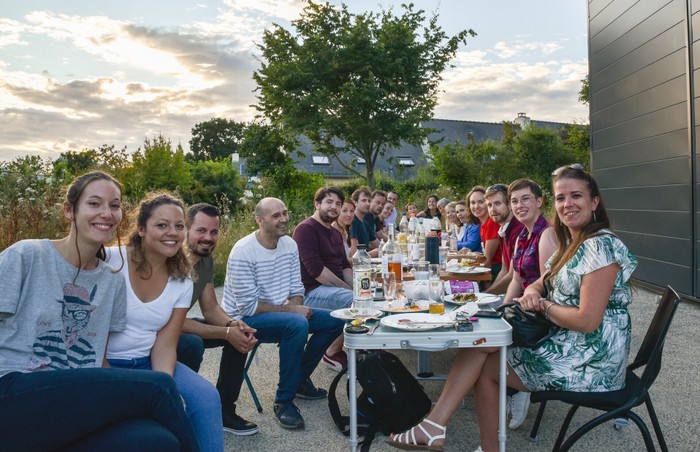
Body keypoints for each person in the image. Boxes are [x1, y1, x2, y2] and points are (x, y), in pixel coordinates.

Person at [387, 165, 638, 452]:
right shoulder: (573, 242)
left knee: (484, 356)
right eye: (561, 198)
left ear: (594, 202)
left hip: (593, 360)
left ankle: (440, 429)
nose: (567, 204)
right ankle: (439, 428)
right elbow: (542, 280)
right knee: (482, 345)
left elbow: (587, 321)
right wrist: (533, 291)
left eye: (576, 196)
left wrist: (543, 305)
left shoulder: (600, 246)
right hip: (567, 341)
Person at [0, 172, 199, 451]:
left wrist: (118, 392)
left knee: (158, 441)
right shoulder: (27, 255)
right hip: (15, 391)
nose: (106, 213)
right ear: (69, 210)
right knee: (160, 387)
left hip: (74, 402)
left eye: (114, 205)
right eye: (94, 203)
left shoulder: (111, 280)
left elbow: (98, 355)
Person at [106, 192, 223, 452]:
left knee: (206, 399)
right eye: (161, 225)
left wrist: (165, 387)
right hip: (105, 365)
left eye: (179, 226)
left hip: (147, 361)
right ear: (141, 229)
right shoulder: (112, 260)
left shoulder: (182, 278)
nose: (172, 233)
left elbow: (166, 343)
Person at [223, 197, 344, 430]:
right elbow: (247, 307)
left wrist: (294, 312)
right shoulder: (243, 251)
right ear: (259, 220)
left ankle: (299, 380)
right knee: (296, 325)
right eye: (276, 216)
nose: (283, 219)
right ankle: (283, 402)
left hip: (278, 314)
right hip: (243, 320)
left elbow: (296, 288)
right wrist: (292, 314)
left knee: (335, 320)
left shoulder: (289, 244)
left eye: (285, 213)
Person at [176, 203, 259, 436]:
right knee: (192, 343)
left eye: (214, 232)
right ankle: (181, 408)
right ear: (185, 229)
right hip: (157, 333)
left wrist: (233, 325)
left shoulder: (206, 260)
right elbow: (172, 322)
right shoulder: (171, 260)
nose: (208, 238)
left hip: (177, 325)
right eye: (201, 230)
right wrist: (225, 332)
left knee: (239, 336)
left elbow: (211, 308)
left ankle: (224, 411)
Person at [486, 180, 557, 429]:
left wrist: (509, 314)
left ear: (539, 201)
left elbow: (545, 284)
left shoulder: (546, 234)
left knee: (484, 344)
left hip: (539, 314)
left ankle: (517, 388)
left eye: (525, 199)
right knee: (485, 330)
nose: (519, 205)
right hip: (520, 307)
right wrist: (502, 311)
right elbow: (516, 279)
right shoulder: (522, 237)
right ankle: (508, 387)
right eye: (515, 201)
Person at [292, 187, 353, 372]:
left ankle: (364, 349)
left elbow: (345, 267)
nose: (334, 207)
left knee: (366, 297)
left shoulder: (335, 233)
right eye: (329, 202)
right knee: (353, 301)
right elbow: (317, 272)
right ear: (317, 204)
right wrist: (351, 292)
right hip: (311, 292)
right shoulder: (306, 229)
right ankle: (333, 351)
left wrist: (361, 290)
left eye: (338, 204)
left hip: (332, 291)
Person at [483, 184, 524, 295]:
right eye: (489, 205)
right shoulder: (503, 230)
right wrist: (487, 294)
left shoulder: (518, 230)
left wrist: (487, 295)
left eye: (497, 203)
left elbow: (511, 276)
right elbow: (504, 271)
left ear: (510, 205)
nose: (493, 209)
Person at [469, 186, 500, 277]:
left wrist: (483, 285)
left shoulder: (492, 223)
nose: (476, 206)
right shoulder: (483, 224)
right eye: (473, 203)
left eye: (481, 202)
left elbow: (487, 260)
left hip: (496, 272)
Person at [351, 187, 378, 251]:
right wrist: (376, 252)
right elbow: (355, 254)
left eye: (369, 201)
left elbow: (378, 244)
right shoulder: (352, 222)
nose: (368, 204)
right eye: (363, 200)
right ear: (355, 202)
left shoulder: (365, 223)